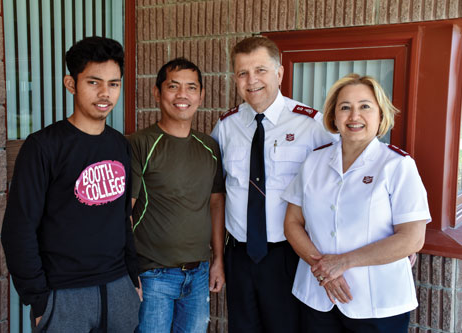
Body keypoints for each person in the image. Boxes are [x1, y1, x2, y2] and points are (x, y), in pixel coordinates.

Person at [1, 36, 141, 332]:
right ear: (70, 84)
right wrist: (38, 300)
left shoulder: (119, 145)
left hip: (119, 290)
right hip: (63, 294)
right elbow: (18, 229)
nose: (105, 93)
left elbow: (122, 218)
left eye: (114, 83)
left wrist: (133, 278)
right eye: (94, 82)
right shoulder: (43, 146)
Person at [282, 73, 431, 332]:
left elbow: (412, 239)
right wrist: (323, 270)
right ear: (333, 116)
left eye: (365, 106)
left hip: (378, 303)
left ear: (381, 115)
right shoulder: (314, 162)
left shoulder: (398, 165)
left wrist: (343, 263)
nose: (354, 116)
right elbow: (292, 222)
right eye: (345, 107)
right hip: (318, 298)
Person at [211, 36, 335, 332]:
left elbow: (347, 176)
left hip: (288, 254)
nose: (251, 80)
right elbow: (214, 189)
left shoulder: (310, 124)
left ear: (279, 73)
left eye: (260, 70)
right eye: (242, 73)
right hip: (239, 254)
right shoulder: (226, 127)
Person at [130, 57, 226, 332]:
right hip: (152, 275)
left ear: (201, 95)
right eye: (173, 86)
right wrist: (128, 271)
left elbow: (215, 203)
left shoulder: (209, 146)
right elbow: (123, 211)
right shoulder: (139, 144)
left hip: (198, 275)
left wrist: (217, 260)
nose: (182, 95)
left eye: (191, 87)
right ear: (157, 92)